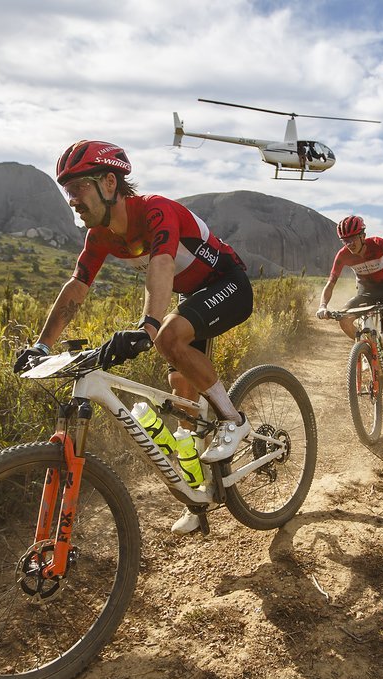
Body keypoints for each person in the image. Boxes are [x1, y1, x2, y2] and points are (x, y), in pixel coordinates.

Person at [13, 140, 254, 534]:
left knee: (167, 339)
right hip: (192, 295)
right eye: (67, 191)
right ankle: (199, 499)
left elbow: (160, 264)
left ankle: (234, 420)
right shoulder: (101, 236)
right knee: (181, 392)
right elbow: (77, 286)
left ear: (110, 183)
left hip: (229, 283)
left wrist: (149, 327)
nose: (72, 199)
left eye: (78, 188)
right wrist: (42, 345)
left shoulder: (155, 210)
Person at [316, 215, 383, 404]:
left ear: (363, 235)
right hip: (365, 293)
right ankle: (367, 350)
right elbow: (330, 284)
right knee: (343, 319)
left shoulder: (379, 244)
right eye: (345, 240)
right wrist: (323, 306)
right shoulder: (343, 255)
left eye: (353, 238)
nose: (349, 244)